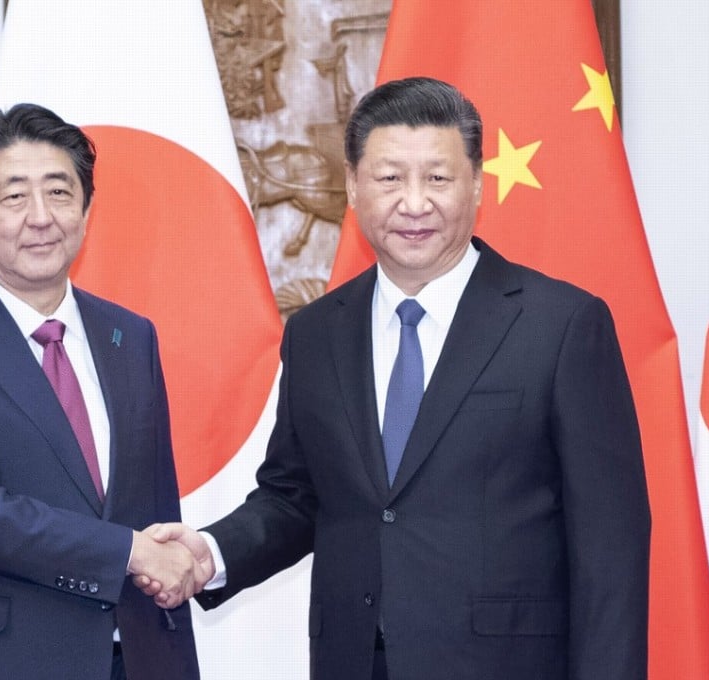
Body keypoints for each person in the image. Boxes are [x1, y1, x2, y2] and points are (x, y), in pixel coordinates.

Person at [141, 77, 651, 680]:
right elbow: (297, 496)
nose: (414, 203)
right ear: (353, 187)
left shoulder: (561, 325)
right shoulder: (316, 333)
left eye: (437, 178)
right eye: (389, 179)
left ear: (477, 186)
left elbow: (610, 547)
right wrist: (211, 554)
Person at [0, 104, 202, 680]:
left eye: (59, 192)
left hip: (141, 657)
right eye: (13, 197)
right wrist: (127, 552)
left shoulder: (130, 335)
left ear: (86, 210)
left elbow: (153, 504)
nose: (40, 217)